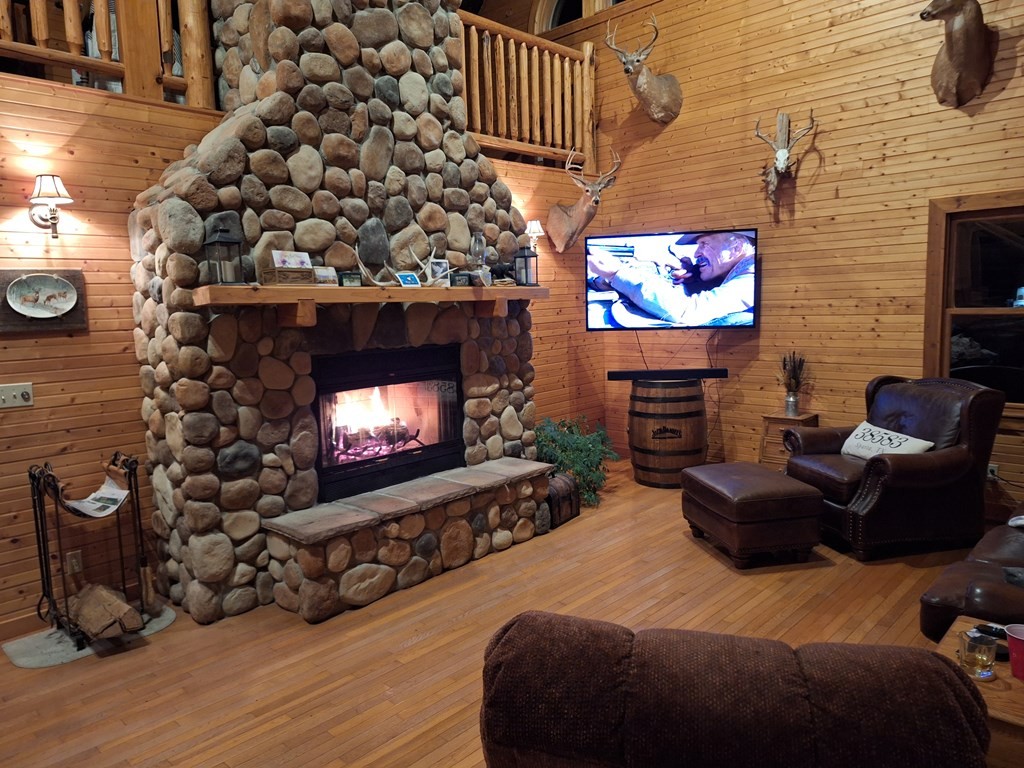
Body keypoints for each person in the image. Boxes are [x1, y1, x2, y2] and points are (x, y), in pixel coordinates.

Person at [587, 230, 756, 326]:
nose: (696, 253)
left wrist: (616, 273)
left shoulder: (753, 279)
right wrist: (696, 275)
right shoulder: (744, 269)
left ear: (736, 248)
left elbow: (688, 312)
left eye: (704, 244)